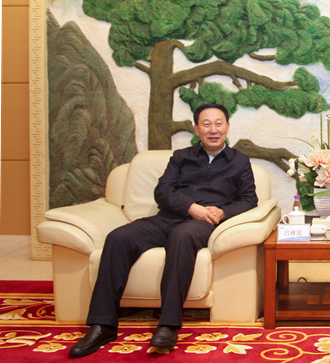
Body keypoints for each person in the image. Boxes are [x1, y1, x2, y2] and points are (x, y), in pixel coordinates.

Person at [69, 104, 258, 356]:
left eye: (218, 123)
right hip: (168, 217)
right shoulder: (181, 157)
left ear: (227, 126)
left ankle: (168, 326)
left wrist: (222, 212)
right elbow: (163, 191)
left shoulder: (239, 161)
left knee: (182, 236)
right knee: (118, 237)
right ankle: (102, 325)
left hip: (202, 224)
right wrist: (190, 206)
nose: (213, 130)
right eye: (206, 124)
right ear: (196, 129)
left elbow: (249, 200)